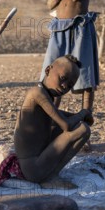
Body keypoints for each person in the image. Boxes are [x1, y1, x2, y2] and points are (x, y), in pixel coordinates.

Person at [15, 55, 92, 184]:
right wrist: (83, 112)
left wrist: (80, 115)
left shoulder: (43, 93)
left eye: (69, 85)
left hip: (34, 163)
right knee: (83, 129)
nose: (64, 86)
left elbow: (56, 115)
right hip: (33, 169)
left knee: (74, 124)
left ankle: (49, 173)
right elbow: (66, 125)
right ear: (48, 70)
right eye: (62, 78)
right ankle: (50, 177)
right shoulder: (37, 94)